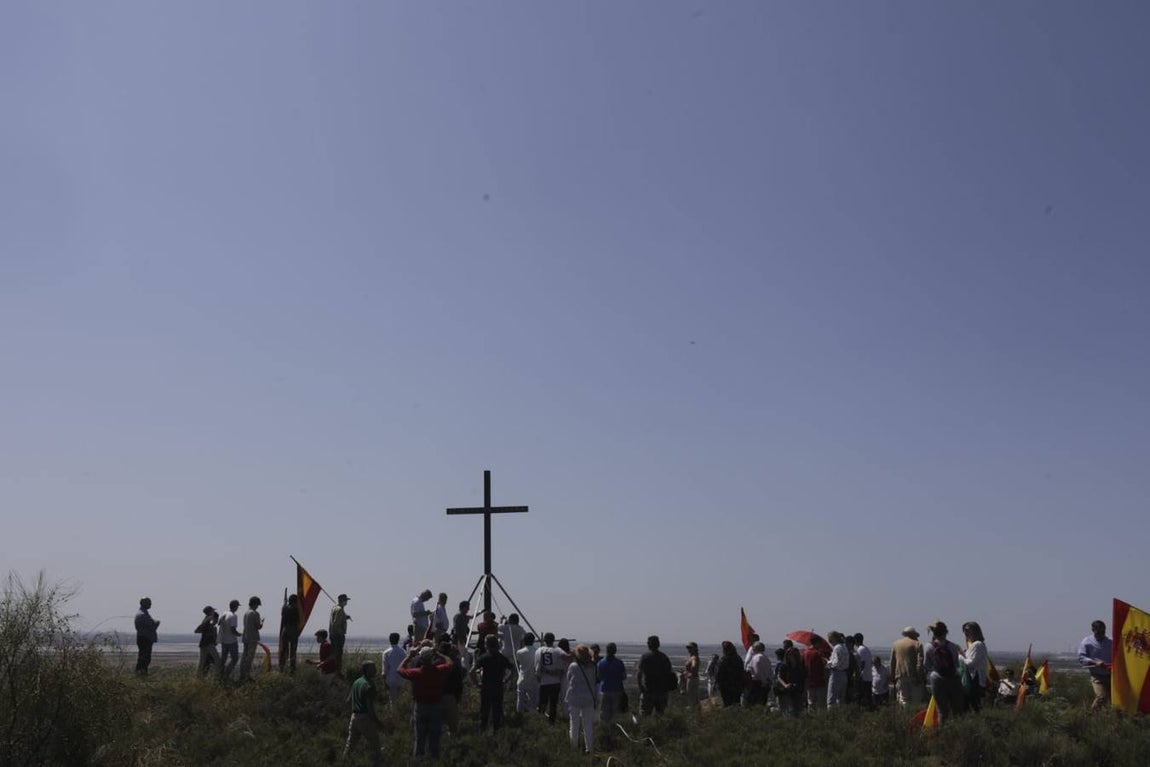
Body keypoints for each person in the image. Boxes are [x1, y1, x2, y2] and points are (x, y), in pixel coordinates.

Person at [399, 645, 454, 759]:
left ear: (421, 659)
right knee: (435, 738)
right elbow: (449, 663)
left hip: (420, 707)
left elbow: (400, 669)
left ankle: (419, 760)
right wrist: (439, 654)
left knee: (419, 738)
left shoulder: (416, 673)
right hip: (436, 706)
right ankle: (434, 760)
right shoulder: (439, 671)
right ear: (432, 658)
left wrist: (409, 656)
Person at [470, 635, 514, 732]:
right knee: (497, 712)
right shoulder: (502, 658)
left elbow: (471, 672)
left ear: (487, 645)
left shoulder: (484, 657)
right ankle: (496, 733)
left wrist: (477, 684)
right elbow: (513, 670)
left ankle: (483, 733)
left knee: (484, 712)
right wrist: (506, 680)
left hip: (486, 687)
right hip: (498, 687)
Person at [925, 620, 964, 724]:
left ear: (933, 633)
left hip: (937, 679)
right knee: (957, 710)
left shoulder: (928, 646)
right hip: (953, 679)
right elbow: (956, 664)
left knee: (942, 711)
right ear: (946, 632)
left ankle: (942, 732)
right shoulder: (952, 646)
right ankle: (959, 731)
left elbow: (927, 665)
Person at [343, 661, 381, 767]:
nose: (376, 670)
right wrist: (377, 721)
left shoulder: (357, 682)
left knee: (350, 744)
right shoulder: (369, 685)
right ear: (366, 670)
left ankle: (343, 762)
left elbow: (348, 701)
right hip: (365, 718)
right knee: (375, 744)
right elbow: (370, 707)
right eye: (373, 669)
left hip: (354, 716)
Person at [565, 644, 598, 754]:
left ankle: (574, 748)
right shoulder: (593, 667)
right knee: (588, 725)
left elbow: (568, 679)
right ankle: (589, 749)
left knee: (574, 725)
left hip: (574, 698)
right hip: (588, 698)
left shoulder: (573, 666)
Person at [1078, 619, 1112, 711]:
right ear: (1093, 630)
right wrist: (1095, 662)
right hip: (1097, 675)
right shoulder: (1086, 642)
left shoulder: (1111, 641)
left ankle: (1113, 717)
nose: (1101, 634)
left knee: (1114, 699)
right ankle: (1090, 715)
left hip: (1111, 675)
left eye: (1103, 632)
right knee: (1101, 696)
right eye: (1098, 632)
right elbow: (1081, 658)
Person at [637, 635, 675, 716]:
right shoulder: (664, 657)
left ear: (649, 644)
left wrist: (640, 687)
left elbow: (639, 673)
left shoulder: (645, 657)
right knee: (661, 715)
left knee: (644, 715)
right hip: (662, 691)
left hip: (648, 691)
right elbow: (670, 674)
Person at [890, 626, 925, 706]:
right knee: (916, 701)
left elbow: (892, 662)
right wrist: (919, 676)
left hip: (900, 676)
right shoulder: (917, 644)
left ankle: (905, 713)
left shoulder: (896, 644)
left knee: (903, 700)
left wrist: (892, 677)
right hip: (914, 676)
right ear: (914, 635)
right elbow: (920, 662)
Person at [535, 632, 566, 722]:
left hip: (544, 682)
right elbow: (562, 665)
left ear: (545, 640)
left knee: (542, 704)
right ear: (553, 640)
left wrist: (540, 677)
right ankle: (551, 722)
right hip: (555, 682)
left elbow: (537, 668)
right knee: (553, 705)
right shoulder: (558, 650)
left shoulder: (539, 650)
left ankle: (539, 722)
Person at [961, 621, 989, 712]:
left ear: (975, 631)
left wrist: (960, 656)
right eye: (965, 631)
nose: (966, 633)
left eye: (968, 630)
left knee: (973, 704)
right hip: (973, 678)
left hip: (974, 678)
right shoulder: (976, 645)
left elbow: (971, 663)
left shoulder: (977, 644)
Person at [597, 642, 627, 722]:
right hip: (617, 689)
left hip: (604, 689)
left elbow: (599, 677)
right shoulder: (619, 663)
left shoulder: (601, 663)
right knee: (615, 713)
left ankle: (604, 727)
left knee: (604, 712)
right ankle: (614, 727)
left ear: (606, 650)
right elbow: (624, 676)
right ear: (615, 651)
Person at [439, 641, 464, 735]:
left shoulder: (435, 663)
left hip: (436, 696)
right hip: (450, 695)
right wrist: (458, 697)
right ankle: (452, 741)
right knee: (453, 726)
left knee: (437, 725)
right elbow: (459, 683)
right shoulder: (453, 665)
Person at [238, 596, 263, 681]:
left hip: (245, 637)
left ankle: (242, 674)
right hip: (253, 638)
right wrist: (262, 623)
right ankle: (246, 675)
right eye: (257, 605)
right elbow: (258, 626)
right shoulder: (255, 613)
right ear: (255, 604)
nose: (257, 606)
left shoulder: (246, 613)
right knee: (249, 657)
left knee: (244, 657)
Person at [777, 641, 805, 716]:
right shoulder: (784, 666)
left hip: (798, 689)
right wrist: (785, 685)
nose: (791, 656)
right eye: (789, 654)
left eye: (793, 654)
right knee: (790, 710)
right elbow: (779, 677)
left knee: (798, 709)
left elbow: (803, 677)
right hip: (787, 690)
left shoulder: (800, 666)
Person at [134, 597, 160, 676]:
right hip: (145, 639)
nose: (150, 604)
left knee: (143, 657)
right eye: (149, 603)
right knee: (144, 658)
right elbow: (153, 625)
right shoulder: (143, 615)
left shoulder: (142, 613)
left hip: (143, 638)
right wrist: (157, 623)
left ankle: (141, 674)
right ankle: (141, 674)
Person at [716, 641, 745, 707]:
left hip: (726, 686)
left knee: (727, 703)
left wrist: (718, 683)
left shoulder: (724, 659)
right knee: (736, 703)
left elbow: (719, 673)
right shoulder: (738, 658)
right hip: (737, 685)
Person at [516, 633, 540, 713]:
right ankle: (532, 717)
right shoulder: (537, 652)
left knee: (520, 701)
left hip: (522, 679)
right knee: (533, 703)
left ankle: (519, 716)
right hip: (534, 680)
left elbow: (519, 662)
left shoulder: (519, 652)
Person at [218, 600, 242, 681]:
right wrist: (239, 634)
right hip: (232, 641)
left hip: (223, 640)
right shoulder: (233, 616)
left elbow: (219, 623)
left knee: (223, 659)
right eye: (237, 606)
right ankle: (226, 674)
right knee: (235, 658)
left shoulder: (224, 613)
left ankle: (219, 675)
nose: (238, 608)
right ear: (236, 607)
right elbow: (233, 630)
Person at [802, 638, 828, 711]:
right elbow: (824, 666)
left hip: (809, 681)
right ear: (817, 643)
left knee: (811, 703)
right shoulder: (819, 653)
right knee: (821, 704)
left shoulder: (805, 653)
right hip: (820, 681)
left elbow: (802, 666)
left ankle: (811, 716)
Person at [825, 632, 849, 707]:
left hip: (836, 674)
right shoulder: (844, 647)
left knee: (831, 699)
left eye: (830, 640)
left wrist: (828, 663)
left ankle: (832, 713)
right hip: (844, 674)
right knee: (841, 699)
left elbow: (836, 663)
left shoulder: (837, 648)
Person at [329, 593, 351, 676]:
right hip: (337, 636)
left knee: (335, 654)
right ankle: (337, 672)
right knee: (338, 655)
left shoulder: (334, 608)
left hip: (333, 634)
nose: (346, 602)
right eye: (345, 600)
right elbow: (335, 623)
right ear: (342, 601)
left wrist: (345, 617)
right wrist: (340, 633)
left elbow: (336, 620)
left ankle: (335, 671)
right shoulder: (340, 610)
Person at [381, 632, 406, 704]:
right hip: (401, 678)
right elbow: (405, 665)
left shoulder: (386, 652)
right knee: (400, 700)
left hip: (391, 679)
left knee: (392, 701)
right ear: (398, 640)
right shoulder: (403, 652)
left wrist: (384, 681)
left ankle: (394, 711)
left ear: (390, 640)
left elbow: (385, 669)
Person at [194, 606, 219, 677]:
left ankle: (198, 677)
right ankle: (217, 677)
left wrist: (205, 631)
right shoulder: (209, 619)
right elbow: (198, 630)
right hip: (209, 644)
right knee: (217, 660)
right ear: (210, 612)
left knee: (202, 662)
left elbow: (197, 630)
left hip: (203, 643)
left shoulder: (205, 620)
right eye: (213, 611)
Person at [747, 641, 774, 706]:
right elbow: (770, 671)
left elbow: (757, 672)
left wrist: (763, 681)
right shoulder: (765, 657)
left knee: (754, 703)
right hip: (765, 682)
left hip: (757, 683)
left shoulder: (756, 658)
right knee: (762, 702)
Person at [279, 594, 301, 674]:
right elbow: (298, 620)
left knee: (284, 651)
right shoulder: (296, 609)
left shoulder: (284, 608)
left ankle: (281, 668)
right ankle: (292, 670)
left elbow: (283, 613)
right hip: (293, 631)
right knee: (293, 651)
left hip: (285, 631)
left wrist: (285, 603)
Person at [854, 633, 873, 706]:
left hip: (863, 677)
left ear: (856, 640)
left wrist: (858, 674)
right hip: (868, 676)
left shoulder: (860, 650)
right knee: (868, 696)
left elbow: (862, 663)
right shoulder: (866, 649)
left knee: (862, 697)